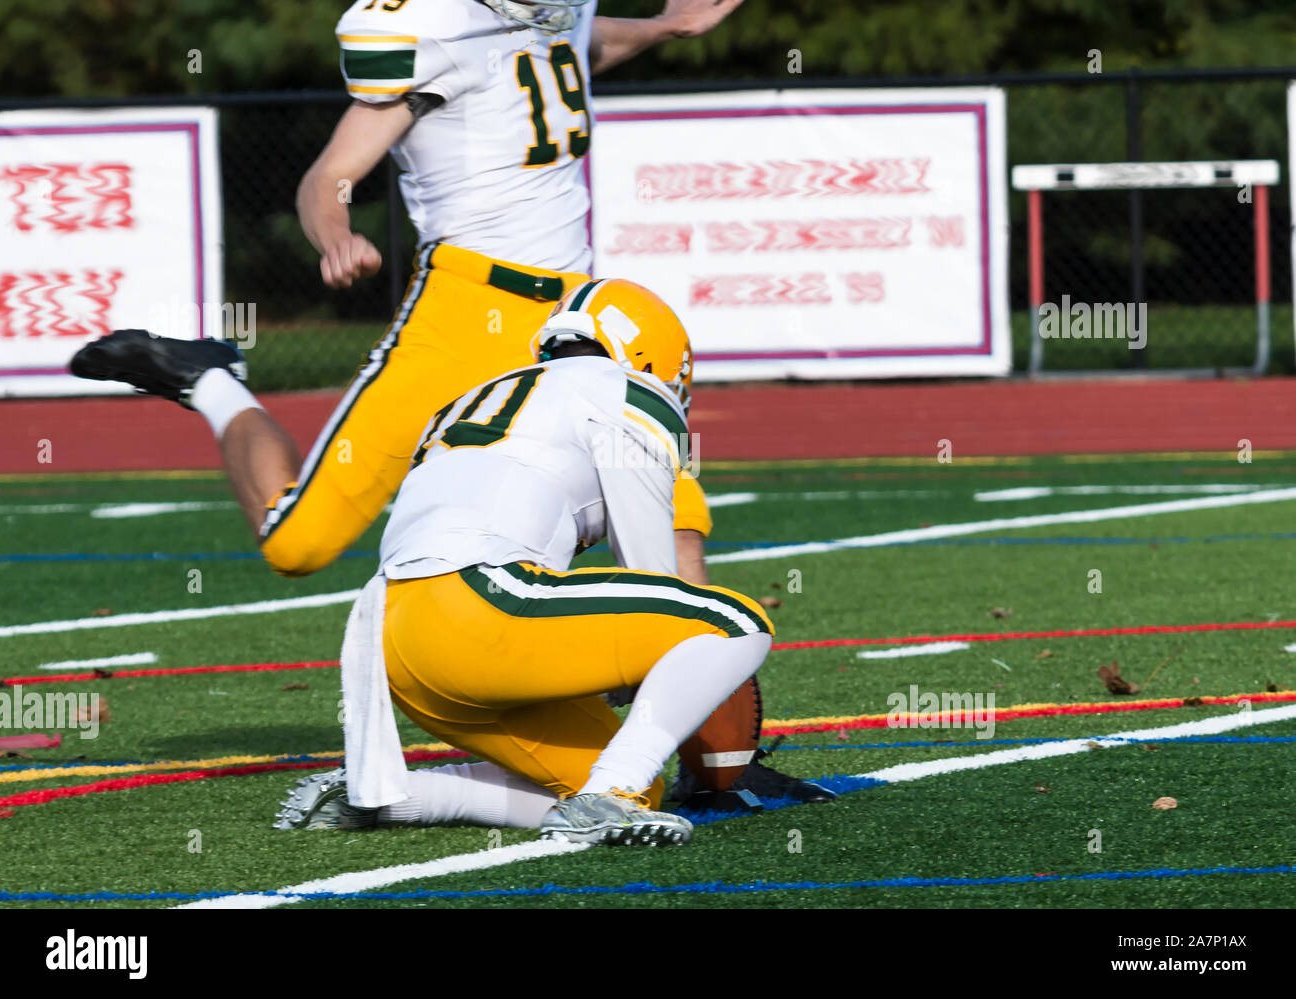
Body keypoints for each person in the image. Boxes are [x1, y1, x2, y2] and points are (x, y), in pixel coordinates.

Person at [70, 0, 833, 808]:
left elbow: (574, 44)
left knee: (677, 530)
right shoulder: (429, 29)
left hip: (580, 313)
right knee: (296, 542)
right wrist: (335, 233)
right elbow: (326, 177)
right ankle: (209, 381)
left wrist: (663, 29)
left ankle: (718, 769)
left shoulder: (547, 9)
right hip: (463, 312)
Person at [273, 280, 772, 846]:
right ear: (652, 353)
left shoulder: (477, 396)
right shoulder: (627, 391)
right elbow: (650, 576)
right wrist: (634, 667)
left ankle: (393, 797)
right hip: (482, 601)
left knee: (614, 775)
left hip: (391, 639)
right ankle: (610, 798)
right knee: (735, 623)